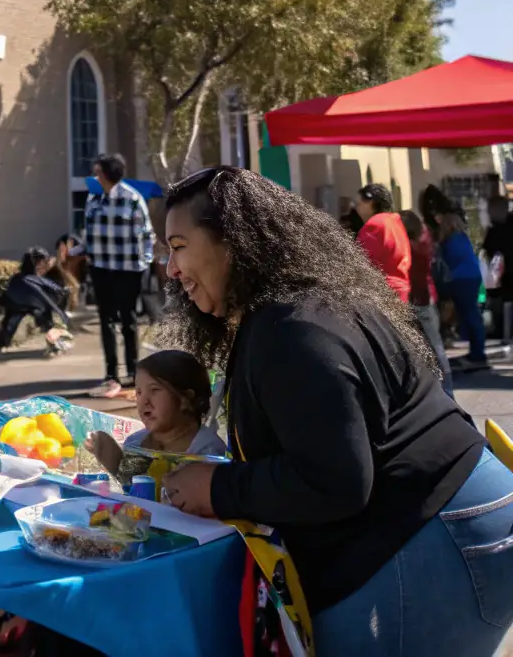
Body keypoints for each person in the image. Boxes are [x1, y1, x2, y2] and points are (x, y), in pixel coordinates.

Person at [160, 167, 513, 657]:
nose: (170, 269)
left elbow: (337, 480)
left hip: (434, 530)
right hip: (446, 521)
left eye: (178, 246)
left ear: (233, 240)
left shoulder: (291, 330)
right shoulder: (294, 309)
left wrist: (217, 488)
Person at [84, 350, 225, 483]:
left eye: (154, 390)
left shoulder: (207, 451)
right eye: (139, 392)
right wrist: (110, 456)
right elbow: (128, 487)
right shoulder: (136, 443)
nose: (144, 401)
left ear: (185, 399)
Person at [84, 153, 155, 398]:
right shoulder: (94, 200)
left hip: (128, 271)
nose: (95, 176)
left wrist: (144, 264)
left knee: (128, 320)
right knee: (106, 321)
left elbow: (147, 235)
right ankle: (111, 373)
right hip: (102, 269)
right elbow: (89, 234)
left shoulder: (132, 199)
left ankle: (134, 373)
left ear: (105, 174)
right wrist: (81, 252)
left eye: (97, 172)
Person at [399, 209, 454, 396]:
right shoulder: (423, 242)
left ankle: (446, 391)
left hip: (420, 300)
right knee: (434, 348)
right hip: (426, 299)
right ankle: (445, 391)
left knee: (433, 349)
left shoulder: (413, 247)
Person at [438, 207, 488, 371]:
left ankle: (478, 355)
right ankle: (477, 352)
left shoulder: (451, 241)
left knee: (470, 315)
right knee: (471, 314)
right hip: (472, 277)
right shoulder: (462, 238)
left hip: (461, 279)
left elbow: (446, 261)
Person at [0, 248, 71, 353]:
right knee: (13, 324)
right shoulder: (31, 279)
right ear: (37, 262)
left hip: (22, 305)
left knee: (11, 325)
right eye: (42, 261)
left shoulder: (23, 278)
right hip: (24, 306)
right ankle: (56, 343)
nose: (44, 264)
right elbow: (52, 294)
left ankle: (1, 344)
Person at [353, 182, 411, 300]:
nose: (356, 208)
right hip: (401, 291)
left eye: (358, 204)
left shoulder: (374, 225)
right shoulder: (395, 221)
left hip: (382, 293)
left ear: (371, 202)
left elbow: (362, 262)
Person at [483, 188, 513, 346]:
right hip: (503, 276)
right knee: (501, 302)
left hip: (505, 275)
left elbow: (490, 249)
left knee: (503, 303)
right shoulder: (495, 229)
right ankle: (504, 332)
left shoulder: (497, 230)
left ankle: (504, 332)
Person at [51, 233, 87, 309]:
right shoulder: (68, 245)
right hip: (65, 259)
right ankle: (71, 306)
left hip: (69, 257)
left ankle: (72, 306)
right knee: (74, 286)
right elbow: (61, 261)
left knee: (74, 286)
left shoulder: (78, 252)